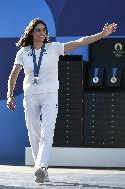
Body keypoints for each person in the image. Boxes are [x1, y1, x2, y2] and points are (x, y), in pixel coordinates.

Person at [7, 18, 117, 183]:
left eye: (44, 30)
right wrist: (9, 95)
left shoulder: (54, 48)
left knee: (47, 131)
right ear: (31, 32)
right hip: (30, 96)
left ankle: (41, 167)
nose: (42, 33)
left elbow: (80, 42)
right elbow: (13, 75)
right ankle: (43, 169)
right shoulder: (23, 52)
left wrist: (102, 34)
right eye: (38, 30)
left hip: (50, 95)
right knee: (34, 133)